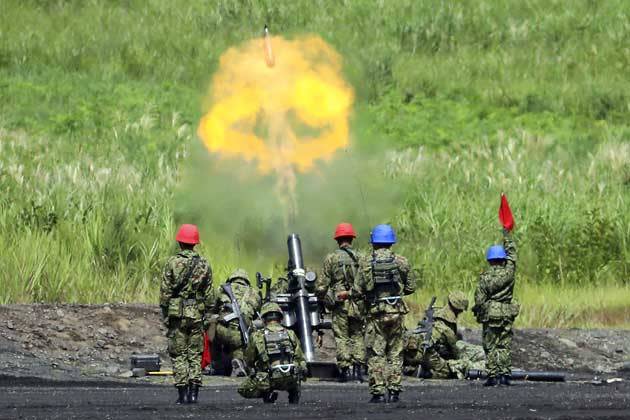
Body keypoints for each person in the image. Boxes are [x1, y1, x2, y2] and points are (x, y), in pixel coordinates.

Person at [352, 224, 417, 403]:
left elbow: (357, 290)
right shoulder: (401, 261)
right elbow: (411, 287)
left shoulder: (366, 262)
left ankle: (378, 392)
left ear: (374, 242)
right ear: (391, 241)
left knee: (376, 353)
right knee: (395, 353)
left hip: (375, 314)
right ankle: (394, 391)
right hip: (396, 313)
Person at [160, 224, 213, 404]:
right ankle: (194, 394)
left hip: (177, 315)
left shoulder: (172, 263)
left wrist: (166, 314)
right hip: (196, 315)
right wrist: (207, 314)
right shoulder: (204, 264)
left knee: (179, 354)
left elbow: (165, 293)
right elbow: (209, 295)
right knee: (195, 355)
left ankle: (182, 394)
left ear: (180, 242)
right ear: (195, 243)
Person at [316, 222, 365, 382]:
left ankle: (345, 370)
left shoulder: (332, 258)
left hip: (340, 303)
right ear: (352, 238)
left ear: (337, 240)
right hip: (357, 303)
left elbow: (322, 285)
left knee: (342, 336)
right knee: (357, 335)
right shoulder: (360, 257)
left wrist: (321, 298)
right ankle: (359, 370)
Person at [472, 228, 519, 386]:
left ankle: (492, 376)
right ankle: (505, 375)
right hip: (506, 312)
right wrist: (507, 236)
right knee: (504, 345)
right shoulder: (509, 273)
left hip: (491, 313)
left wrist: (480, 310)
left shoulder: (485, 278)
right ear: (503, 259)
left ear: (490, 260)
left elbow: (479, 300)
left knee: (490, 345)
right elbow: (513, 257)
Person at [237, 302, 307, 404]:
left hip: (268, 379)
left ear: (264, 319)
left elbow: (249, 359)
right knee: (297, 367)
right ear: (280, 317)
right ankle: (294, 393)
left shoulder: (257, 335)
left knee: (243, 389)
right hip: (291, 378)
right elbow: (300, 357)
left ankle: (267, 393)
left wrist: (253, 370)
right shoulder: (290, 333)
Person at [403, 291, 485, 379]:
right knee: (449, 371)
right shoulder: (445, 328)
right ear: (458, 309)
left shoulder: (435, 314)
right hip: (427, 354)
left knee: (474, 351)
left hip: (417, 352)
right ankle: (424, 373)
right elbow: (455, 352)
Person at [212, 268, 262, 377]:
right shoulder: (254, 293)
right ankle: (238, 361)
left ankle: (215, 364)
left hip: (223, 331)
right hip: (241, 334)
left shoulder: (222, 289)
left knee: (212, 328)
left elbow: (213, 308)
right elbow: (256, 314)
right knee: (240, 342)